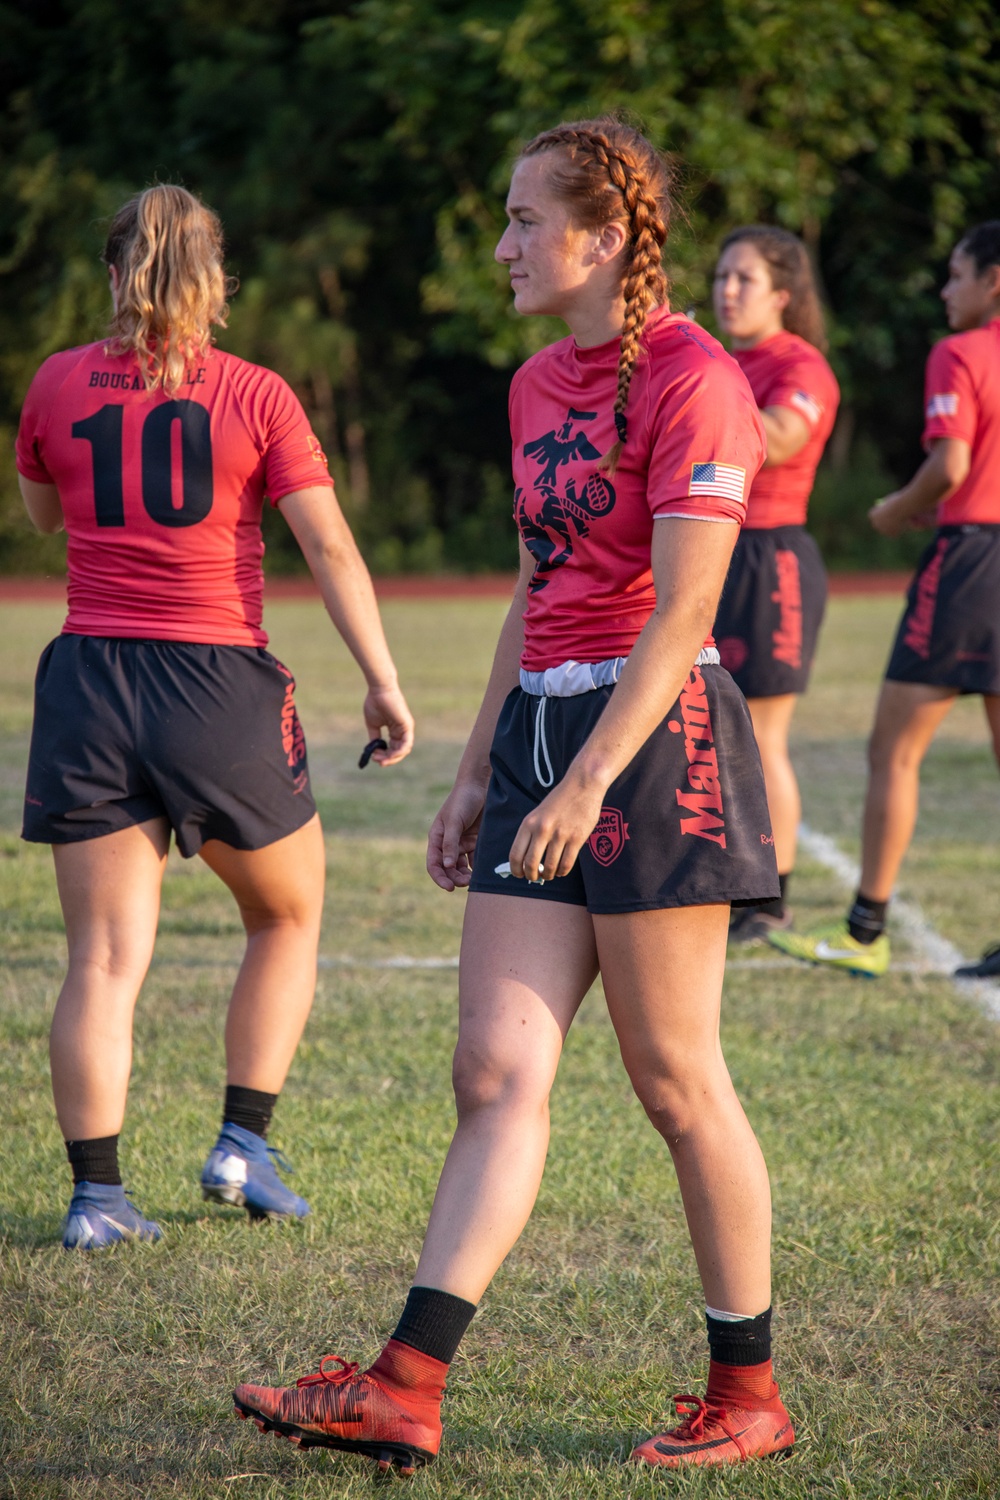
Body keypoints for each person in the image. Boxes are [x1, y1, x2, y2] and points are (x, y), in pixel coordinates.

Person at [233, 118, 795, 1473]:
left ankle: (750, 1394)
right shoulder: (539, 382)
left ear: (603, 239)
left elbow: (687, 608)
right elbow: (543, 586)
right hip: (546, 732)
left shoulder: (696, 378)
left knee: (672, 1075)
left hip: (653, 745)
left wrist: (591, 773)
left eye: (524, 220)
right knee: (493, 1069)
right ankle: (406, 1387)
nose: (502, 246)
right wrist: (488, 765)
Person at [15, 184, 414, 1249]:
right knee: (284, 917)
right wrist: (380, 677)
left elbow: (45, 510)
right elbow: (328, 547)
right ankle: (241, 1143)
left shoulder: (53, 382)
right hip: (215, 682)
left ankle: (97, 1200)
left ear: (112, 276)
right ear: (217, 283)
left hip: (90, 683)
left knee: (102, 959)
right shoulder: (258, 393)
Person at [770, 221, 1000, 978]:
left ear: (992, 282)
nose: (944, 289)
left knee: (893, 753)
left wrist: (897, 508)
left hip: (972, 561)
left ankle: (865, 931)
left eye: (956, 274)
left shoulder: (961, 352)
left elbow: (951, 461)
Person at [712, 227, 839, 943]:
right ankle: (725, 877)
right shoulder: (718, 360)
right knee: (704, 731)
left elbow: (781, 438)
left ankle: (767, 898)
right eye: (722, 277)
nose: (727, 291)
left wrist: (694, 400)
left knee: (762, 736)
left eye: (745, 280)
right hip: (710, 547)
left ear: (783, 296)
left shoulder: (801, 365)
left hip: (771, 557)